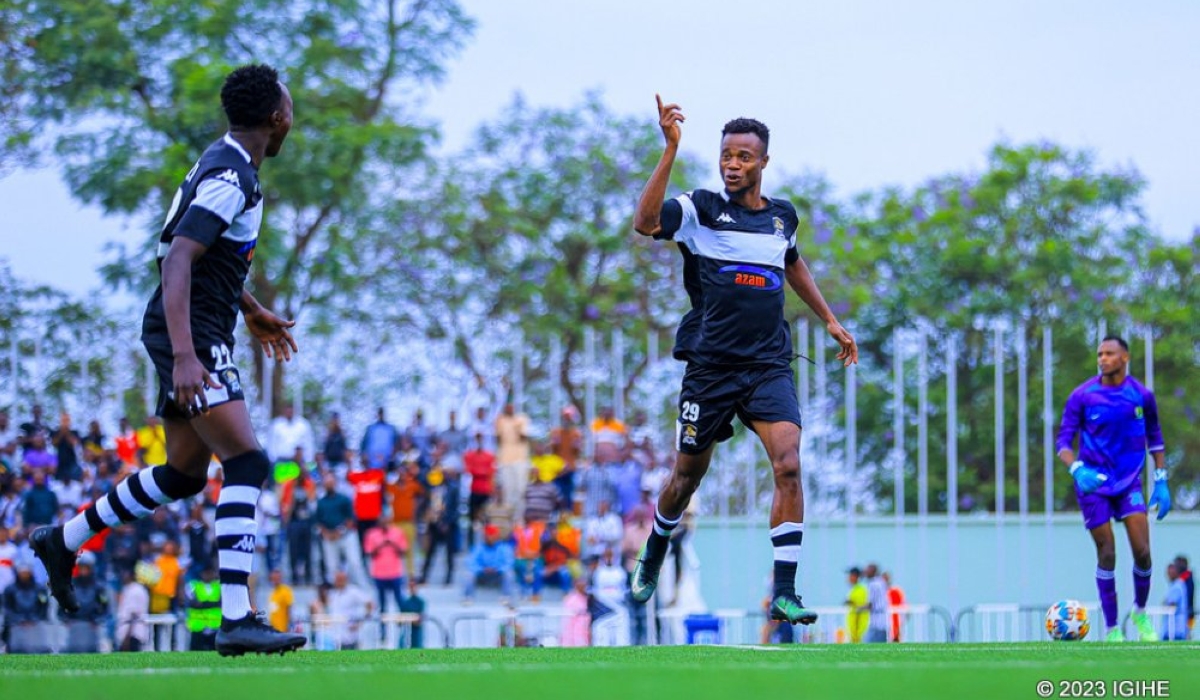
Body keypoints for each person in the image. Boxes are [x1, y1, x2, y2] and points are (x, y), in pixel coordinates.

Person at [30, 63, 306, 656]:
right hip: (192, 334)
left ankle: (63, 539)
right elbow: (178, 258)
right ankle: (237, 618)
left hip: (191, 327)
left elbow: (203, 256)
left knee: (183, 474)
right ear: (277, 117)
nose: (292, 115)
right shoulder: (232, 176)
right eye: (290, 106)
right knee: (248, 462)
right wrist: (186, 355)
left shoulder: (226, 161)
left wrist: (250, 307)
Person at [628, 97, 857, 629]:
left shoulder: (782, 217)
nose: (732, 165)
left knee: (789, 463)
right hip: (710, 369)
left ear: (763, 162)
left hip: (767, 365)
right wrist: (670, 150)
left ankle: (784, 591)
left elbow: (792, 262)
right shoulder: (700, 209)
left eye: (743, 157)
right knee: (686, 479)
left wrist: (829, 319)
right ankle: (657, 545)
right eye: (726, 156)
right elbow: (644, 223)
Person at [1056, 335, 1169, 643]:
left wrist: (1161, 479)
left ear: (1125, 358)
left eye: (1109, 353)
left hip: (1129, 481)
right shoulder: (1082, 395)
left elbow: (1155, 437)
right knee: (1107, 553)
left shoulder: (1141, 395)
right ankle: (1111, 627)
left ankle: (1140, 612)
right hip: (1094, 484)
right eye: (1100, 354)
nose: (1102, 359)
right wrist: (1077, 469)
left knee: (1143, 552)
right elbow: (1063, 442)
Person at [184, 564, 221, 651]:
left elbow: (222, 602)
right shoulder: (193, 586)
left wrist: (204, 604)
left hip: (215, 626)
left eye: (210, 573)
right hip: (197, 626)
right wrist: (213, 604)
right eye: (206, 573)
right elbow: (194, 603)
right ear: (201, 573)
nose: (208, 575)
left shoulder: (219, 586)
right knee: (196, 652)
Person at [1163, 562, 1189, 641]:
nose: (1168, 575)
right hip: (1177, 629)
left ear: (1176, 572)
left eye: (1170, 572)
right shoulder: (1179, 585)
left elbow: (1171, 605)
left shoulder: (1177, 586)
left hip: (1175, 629)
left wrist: (1163, 606)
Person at [864, 563, 889, 643]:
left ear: (873, 571)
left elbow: (870, 604)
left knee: (868, 645)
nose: (865, 573)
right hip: (884, 622)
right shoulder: (882, 582)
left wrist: (857, 608)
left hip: (876, 623)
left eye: (867, 570)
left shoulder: (873, 584)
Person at [844, 567, 868, 643]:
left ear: (855, 576)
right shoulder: (854, 589)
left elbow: (860, 608)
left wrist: (851, 603)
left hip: (858, 629)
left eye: (850, 575)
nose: (848, 578)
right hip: (854, 629)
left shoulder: (860, 589)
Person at [266, 569, 294, 633]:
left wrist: (289, 625)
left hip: (283, 629)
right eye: (273, 579)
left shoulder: (286, 590)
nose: (275, 581)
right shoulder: (273, 593)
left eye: (277, 578)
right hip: (274, 628)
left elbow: (289, 609)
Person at [884, 571, 906, 643]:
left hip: (895, 621)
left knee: (895, 639)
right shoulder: (883, 592)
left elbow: (903, 604)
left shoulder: (895, 591)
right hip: (885, 622)